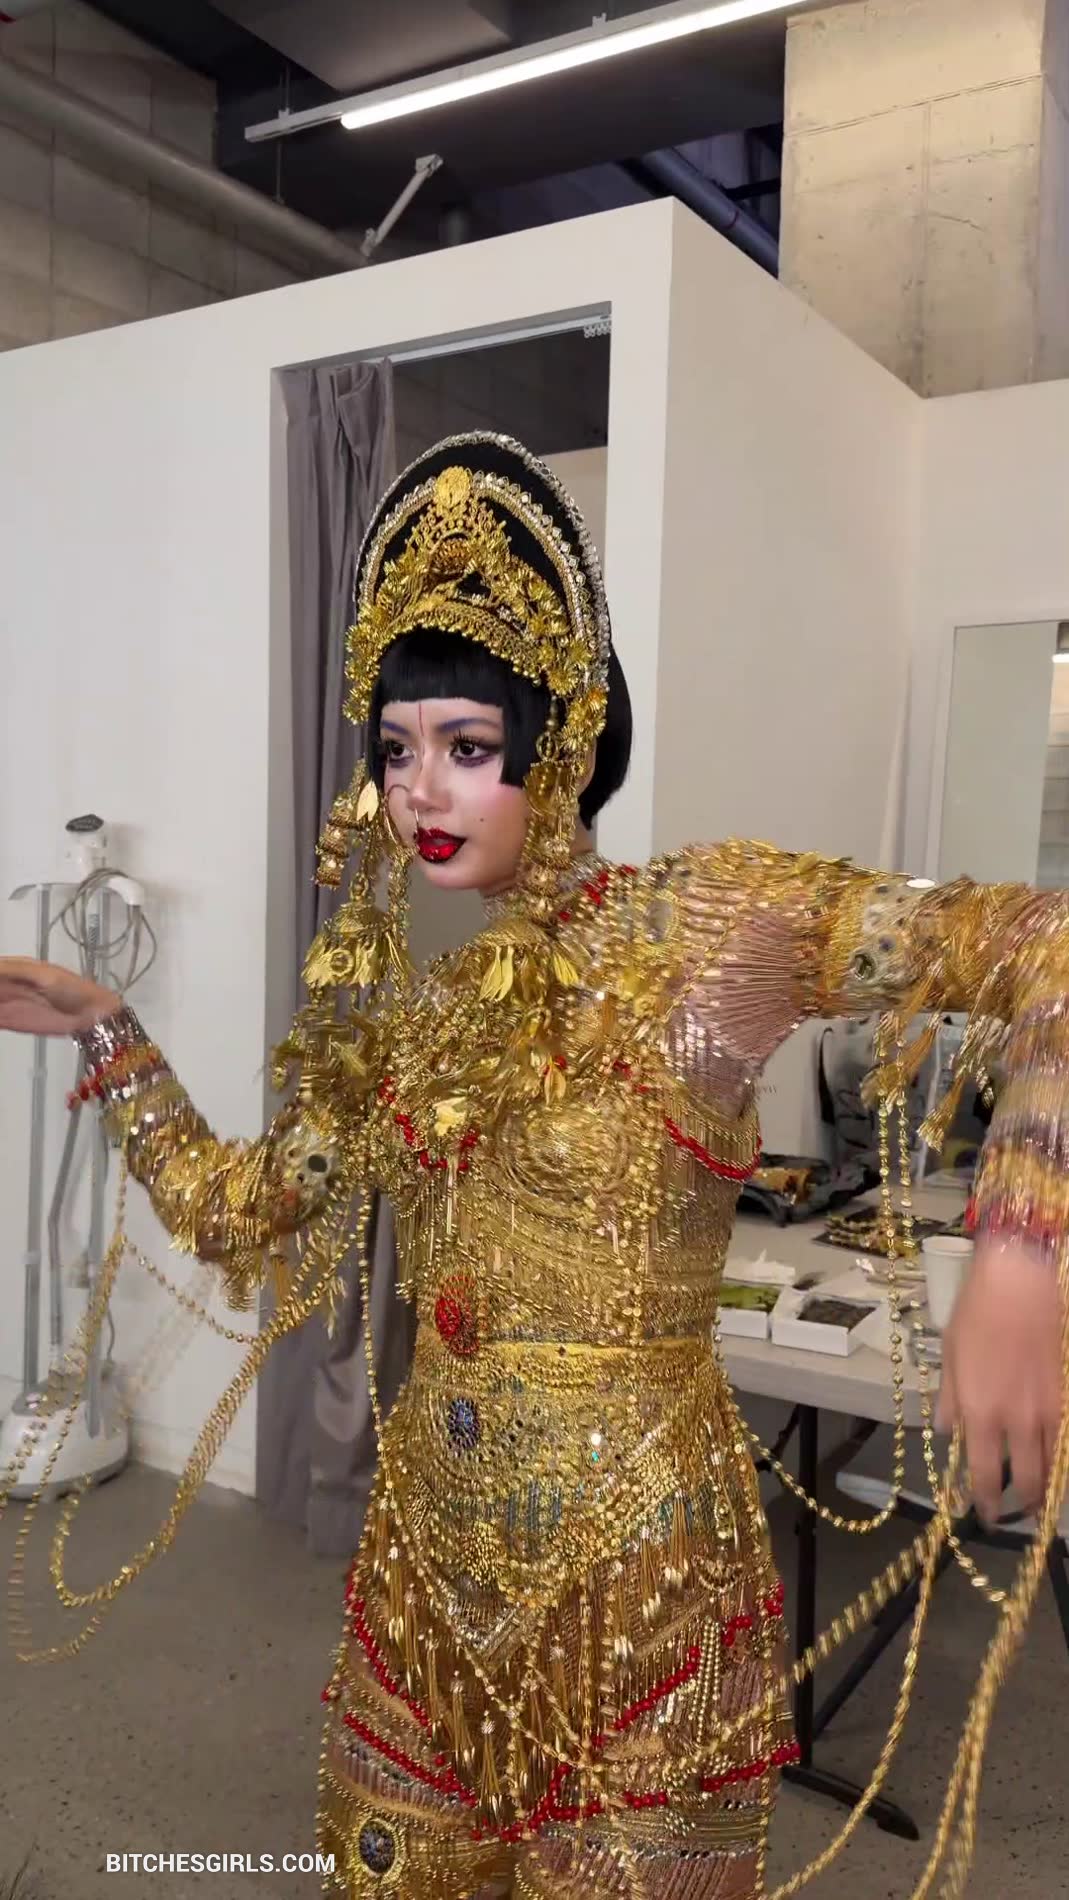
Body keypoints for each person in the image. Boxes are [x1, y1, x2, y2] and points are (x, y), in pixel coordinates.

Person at [0, 432, 1066, 1900]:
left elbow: (1045, 949)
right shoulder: (420, 1020)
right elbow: (241, 1209)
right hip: (421, 1598)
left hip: (643, 1600)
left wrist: (1017, 1249)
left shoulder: (708, 932)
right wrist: (112, 1034)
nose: (420, 793)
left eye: (466, 746)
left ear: (558, 740)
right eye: (395, 752)